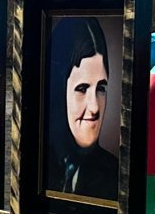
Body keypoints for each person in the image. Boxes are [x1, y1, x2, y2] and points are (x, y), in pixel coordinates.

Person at [46, 16, 119, 200]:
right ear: (58, 89)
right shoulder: (34, 165)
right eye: (82, 89)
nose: (94, 107)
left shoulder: (116, 176)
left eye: (101, 89)